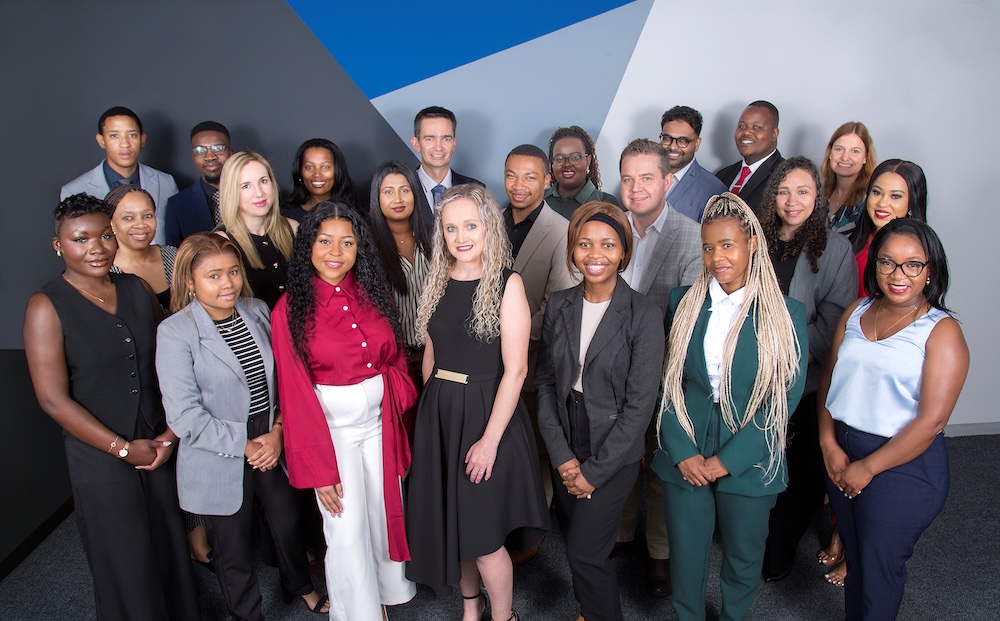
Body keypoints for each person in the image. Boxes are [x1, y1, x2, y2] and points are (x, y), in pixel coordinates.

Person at [23, 194, 200, 621]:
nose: (97, 248)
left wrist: (169, 435)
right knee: (126, 557)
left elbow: (167, 365)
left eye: (105, 235)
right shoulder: (46, 306)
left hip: (156, 444)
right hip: (100, 456)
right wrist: (122, 449)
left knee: (169, 546)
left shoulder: (136, 288)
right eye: (81, 239)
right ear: (58, 245)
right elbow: (52, 399)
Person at [651, 192, 807, 621]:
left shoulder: (785, 313)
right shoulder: (682, 303)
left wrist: (728, 461)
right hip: (688, 445)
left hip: (750, 453)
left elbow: (783, 398)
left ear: (752, 244)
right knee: (686, 554)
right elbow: (666, 384)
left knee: (743, 555)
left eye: (727, 245)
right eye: (708, 247)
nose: (716, 257)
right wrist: (681, 451)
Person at [156, 233, 328, 620]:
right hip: (218, 447)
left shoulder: (257, 311)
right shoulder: (175, 331)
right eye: (214, 276)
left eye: (233, 272)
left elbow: (286, 379)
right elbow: (184, 416)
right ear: (190, 281)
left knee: (287, 522)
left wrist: (278, 431)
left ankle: (300, 585)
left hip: (270, 434)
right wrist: (246, 445)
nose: (228, 283)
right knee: (232, 548)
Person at [406, 184, 549, 621]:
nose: (461, 236)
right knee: (455, 529)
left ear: (488, 227)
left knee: (484, 540)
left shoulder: (508, 284)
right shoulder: (436, 279)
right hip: (441, 413)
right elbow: (431, 354)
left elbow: (517, 371)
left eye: (471, 225)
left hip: (488, 415)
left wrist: (489, 442)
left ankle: (504, 617)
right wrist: (430, 420)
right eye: (451, 228)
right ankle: (472, 607)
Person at [271, 202, 417, 620]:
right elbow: (295, 394)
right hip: (332, 435)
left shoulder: (374, 292)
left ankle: (383, 600)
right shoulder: (289, 310)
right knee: (347, 529)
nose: (336, 251)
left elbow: (395, 354)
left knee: (382, 514)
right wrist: (318, 471)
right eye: (325, 241)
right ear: (308, 246)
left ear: (359, 248)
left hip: (380, 425)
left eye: (347, 242)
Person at [818, 218, 969, 620]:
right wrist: (827, 443)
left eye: (912, 264)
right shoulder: (856, 311)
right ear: (875, 265)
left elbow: (930, 422)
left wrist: (868, 467)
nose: (898, 274)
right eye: (887, 262)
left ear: (930, 270)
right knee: (858, 561)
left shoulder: (942, 331)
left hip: (903, 465)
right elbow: (830, 380)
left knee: (879, 570)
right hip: (843, 453)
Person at [535, 201, 665, 621]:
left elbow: (639, 406)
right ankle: (588, 611)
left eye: (608, 244)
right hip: (566, 434)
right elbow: (545, 383)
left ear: (623, 252)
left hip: (613, 446)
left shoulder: (643, 314)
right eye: (585, 243)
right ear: (572, 249)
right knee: (575, 537)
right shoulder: (560, 305)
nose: (596, 254)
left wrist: (592, 472)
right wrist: (561, 456)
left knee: (585, 553)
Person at [755, 158, 857, 581]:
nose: (792, 200)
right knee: (755, 460)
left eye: (802, 191)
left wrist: (785, 360)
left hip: (802, 378)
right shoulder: (754, 238)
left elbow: (834, 322)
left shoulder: (836, 249)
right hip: (749, 372)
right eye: (783, 191)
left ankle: (779, 551)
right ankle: (751, 536)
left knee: (796, 470)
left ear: (818, 197)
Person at [614, 138, 702, 595]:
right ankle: (621, 534)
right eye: (627, 178)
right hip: (612, 374)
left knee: (663, 471)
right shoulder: (610, 227)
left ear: (668, 181)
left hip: (667, 374)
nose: (636, 188)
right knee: (620, 459)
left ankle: (659, 553)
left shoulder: (692, 236)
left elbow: (686, 320)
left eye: (646, 177)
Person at [502, 144, 580, 516]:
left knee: (535, 449)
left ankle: (534, 526)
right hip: (487, 365)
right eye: (512, 175)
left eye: (530, 177)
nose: (519, 185)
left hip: (533, 364)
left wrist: (504, 338)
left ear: (547, 180)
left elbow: (556, 308)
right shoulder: (489, 223)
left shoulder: (562, 231)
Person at [61, 106, 179, 245]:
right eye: (114, 136)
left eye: (132, 135)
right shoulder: (74, 190)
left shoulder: (166, 183)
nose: (125, 144)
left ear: (142, 139)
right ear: (101, 140)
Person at [367, 161, 434, 389]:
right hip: (392, 363)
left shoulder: (435, 238)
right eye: (388, 192)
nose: (398, 199)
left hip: (436, 356)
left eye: (404, 190)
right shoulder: (366, 247)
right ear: (377, 197)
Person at [216, 151, 298, 309]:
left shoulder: (293, 228)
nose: (259, 193)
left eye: (263, 181)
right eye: (246, 186)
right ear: (231, 192)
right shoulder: (222, 242)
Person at [848, 159, 928, 298]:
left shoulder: (919, 252)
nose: (882, 203)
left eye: (895, 196)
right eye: (877, 192)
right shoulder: (854, 241)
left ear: (912, 203)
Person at [104, 184, 176, 312]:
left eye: (147, 216)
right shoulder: (106, 274)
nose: (140, 225)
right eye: (128, 218)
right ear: (111, 224)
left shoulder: (174, 255)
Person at [163, 121, 233, 246]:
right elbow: (174, 252)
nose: (210, 156)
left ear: (231, 153)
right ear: (193, 156)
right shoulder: (177, 205)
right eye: (200, 150)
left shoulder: (253, 195)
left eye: (218, 148)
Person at [658, 106, 728, 223]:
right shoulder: (644, 175)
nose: (673, 147)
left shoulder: (714, 190)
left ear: (697, 144)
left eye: (683, 141)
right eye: (667, 138)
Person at [410, 106, 483, 214]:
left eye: (446, 139)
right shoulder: (402, 189)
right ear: (416, 144)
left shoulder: (476, 190)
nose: (438, 147)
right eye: (430, 139)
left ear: (454, 143)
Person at [716, 101, 784, 215]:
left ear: (774, 134)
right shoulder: (723, 176)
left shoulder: (785, 176)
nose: (746, 132)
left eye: (757, 127)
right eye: (742, 126)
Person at [543, 126, 620, 220]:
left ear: (588, 160)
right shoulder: (539, 199)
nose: (567, 164)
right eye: (559, 159)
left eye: (575, 158)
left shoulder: (606, 203)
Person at [282, 138, 361, 221]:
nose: (317, 174)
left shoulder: (353, 215)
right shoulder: (289, 217)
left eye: (325, 167)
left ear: (337, 170)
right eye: (309, 167)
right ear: (300, 172)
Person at [820, 122, 877, 235]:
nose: (845, 157)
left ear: (865, 157)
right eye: (839, 149)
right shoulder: (819, 193)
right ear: (830, 153)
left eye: (855, 151)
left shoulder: (870, 200)